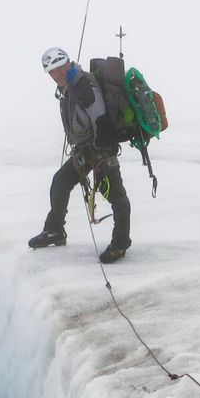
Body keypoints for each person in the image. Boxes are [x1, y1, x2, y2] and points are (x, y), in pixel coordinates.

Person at [28, 47, 132, 263]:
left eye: (59, 68)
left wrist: (103, 148)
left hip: (100, 151)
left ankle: (120, 243)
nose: (56, 75)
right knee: (60, 182)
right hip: (84, 152)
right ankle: (55, 230)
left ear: (68, 64)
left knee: (117, 198)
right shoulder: (68, 88)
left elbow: (100, 117)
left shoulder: (84, 86)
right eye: (52, 72)